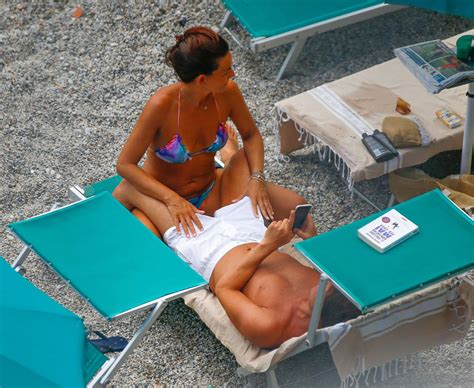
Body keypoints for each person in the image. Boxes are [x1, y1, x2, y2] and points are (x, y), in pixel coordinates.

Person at [138, 152, 359, 349]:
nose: (326, 281)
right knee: (245, 157)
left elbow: (225, 288)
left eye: (328, 287)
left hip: (209, 250)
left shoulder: (270, 327)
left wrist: (268, 246)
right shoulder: (332, 293)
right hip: (252, 234)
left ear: (317, 310)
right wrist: (312, 239)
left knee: (137, 189)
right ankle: (220, 165)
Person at [112, 26, 316, 238]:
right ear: (202, 80)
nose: (233, 74)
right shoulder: (161, 106)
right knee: (153, 250)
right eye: (226, 72)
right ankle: (228, 156)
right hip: (163, 200)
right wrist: (172, 199)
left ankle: (320, 269)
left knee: (297, 208)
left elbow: (251, 135)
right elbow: (125, 165)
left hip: (212, 189)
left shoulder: (228, 93)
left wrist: (257, 178)